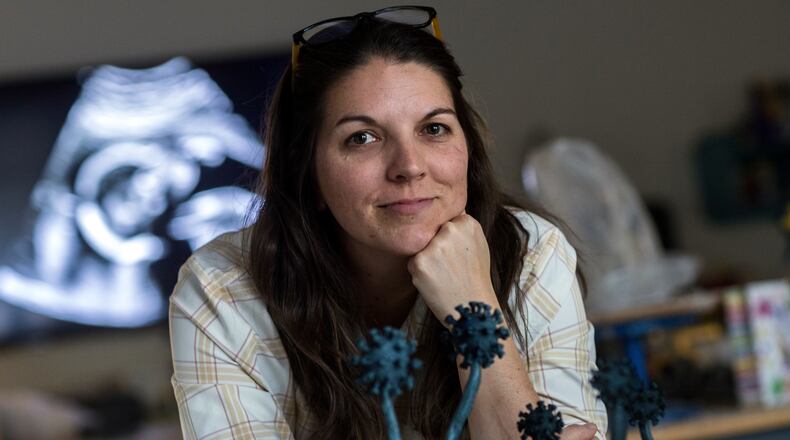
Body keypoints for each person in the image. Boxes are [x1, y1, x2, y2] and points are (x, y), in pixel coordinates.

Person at [169, 6, 607, 440]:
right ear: (308, 172)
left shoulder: (531, 253)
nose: (409, 166)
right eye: (362, 138)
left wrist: (474, 309)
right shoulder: (221, 288)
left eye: (433, 129)